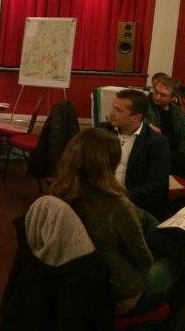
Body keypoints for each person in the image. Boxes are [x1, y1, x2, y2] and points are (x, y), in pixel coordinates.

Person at [50, 128, 184, 324]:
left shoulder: (58, 192)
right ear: (109, 163)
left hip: (71, 286)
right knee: (178, 264)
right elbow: (143, 261)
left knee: (145, 220)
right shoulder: (116, 205)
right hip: (116, 294)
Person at [108, 88, 171, 218]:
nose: (112, 113)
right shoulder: (103, 132)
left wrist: (120, 197)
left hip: (135, 205)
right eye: (113, 108)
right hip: (101, 198)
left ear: (136, 117)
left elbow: (156, 185)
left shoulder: (156, 143)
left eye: (118, 110)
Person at [146, 75, 185, 177]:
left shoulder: (177, 112)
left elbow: (183, 138)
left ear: (173, 98)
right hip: (156, 150)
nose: (157, 97)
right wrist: (148, 124)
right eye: (156, 92)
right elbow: (134, 117)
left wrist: (182, 154)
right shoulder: (144, 105)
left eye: (163, 95)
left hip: (174, 152)